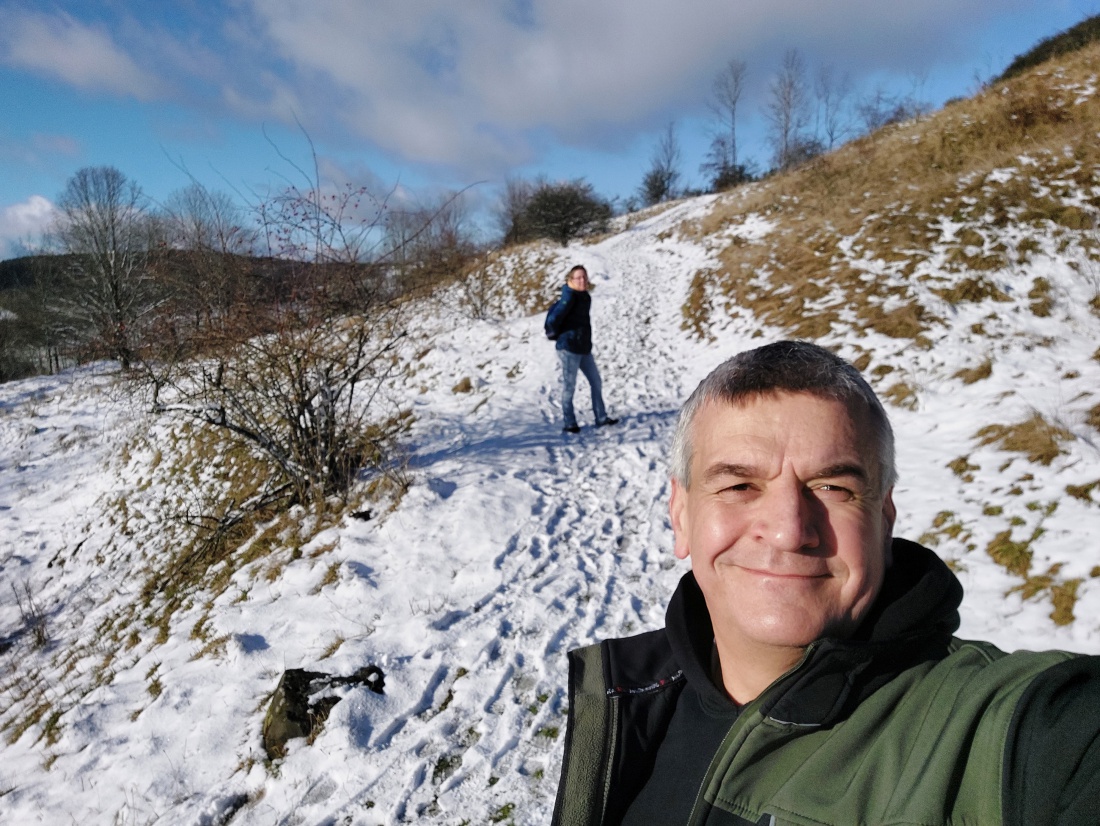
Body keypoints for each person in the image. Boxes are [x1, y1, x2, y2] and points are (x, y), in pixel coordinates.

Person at [552, 340, 1100, 826]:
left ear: (884, 519)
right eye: (740, 485)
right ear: (681, 515)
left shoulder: (1001, 730)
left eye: (833, 487)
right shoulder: (631, 698)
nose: (790, 530)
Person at [546, 265, 617, 433]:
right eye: (578, 278)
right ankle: (569, 423)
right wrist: (557, 336)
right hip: (569, 348)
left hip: (584, 347)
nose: (582, 280)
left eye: (584, 277)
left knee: (596, 381)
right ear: (570, 280)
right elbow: (554, 319)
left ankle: (601, 417)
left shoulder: (584, 296)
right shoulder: (569, 297)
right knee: (569, 386)